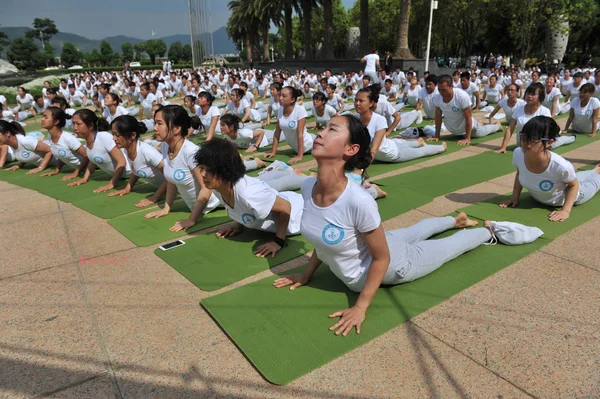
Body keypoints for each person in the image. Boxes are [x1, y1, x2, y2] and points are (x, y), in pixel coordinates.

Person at [273, 114, 519, 336]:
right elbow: (321, 237)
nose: (320, 132)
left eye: (332, 129)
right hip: (380, 243)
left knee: (448, 248)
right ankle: (455, 219)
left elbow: (381, 260)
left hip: (396, 264)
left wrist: (360, 307)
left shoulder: (357, 201)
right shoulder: (308, 187)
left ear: (351, 148)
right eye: (324, 127)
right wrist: (306, 275)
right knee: (416, 230)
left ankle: (486, 230)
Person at [195, 139, 303, 258]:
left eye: (209, 170)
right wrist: (239, 223)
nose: (203, 174)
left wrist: (278, 241)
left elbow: (286, 207)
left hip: (299, 215)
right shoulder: (217, 188)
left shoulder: (249, 194)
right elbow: (241, 207)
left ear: (225, 170)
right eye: (202, 168)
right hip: (283, 200)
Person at [500, 116, 600, 222]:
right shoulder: (518, 153)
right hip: (551, 190)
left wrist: (565, 211)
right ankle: (595, 170)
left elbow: (574, 185)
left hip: (577, 195)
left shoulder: (560, 165)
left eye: (533, 138)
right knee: (577, 176)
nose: (526, 142)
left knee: (587, 182)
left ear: (549, 142)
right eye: (524, 136)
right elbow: (520, 173)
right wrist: (514, 198)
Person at [144, 105, 221, 232]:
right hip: (198, 207)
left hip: (215, 204)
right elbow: (171, 179)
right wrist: (167, 208)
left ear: (177, 128)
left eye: (159, 123)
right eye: (155, 123)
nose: (155, 128)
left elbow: (207, 188)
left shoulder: (190, 152)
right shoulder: (165, 146)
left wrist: (192, 219)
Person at [355, 87, 446, 163]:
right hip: (390, 144)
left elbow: (374, 149)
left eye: (361, 101)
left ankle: (441, 147)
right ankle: (418, 142)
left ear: (371, 103)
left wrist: (360, 170)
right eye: (356, 100)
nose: (357, 103)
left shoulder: (379, 120)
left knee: (420, 152)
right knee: (402, 144)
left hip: (395, 154)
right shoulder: (354, 119)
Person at [109, 115, 167, 207]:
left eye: (117, 135)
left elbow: (170, 175)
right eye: (113, 134)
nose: (114, 138)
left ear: (133, 135)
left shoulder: (147, 152)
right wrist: (128, 188)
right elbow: (136, 169)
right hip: (161, 188)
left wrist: (156, 196)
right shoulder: (126, 149)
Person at [68, 109, 132, 192]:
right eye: (73, 123)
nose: (75, 128)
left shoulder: (104, 137)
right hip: (120, 176)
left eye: (78, 124)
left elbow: (121, 161)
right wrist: (85, 178)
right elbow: (93, 160)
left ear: (90, 126)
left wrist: (111, 183)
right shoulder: (88, 141)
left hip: (129, 173)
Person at [430, 75, 501, 145]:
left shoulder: (462, 96)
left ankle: (497, 126)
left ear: (451, 86)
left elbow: (468, 118)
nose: (441, 92)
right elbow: (438, 117)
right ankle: (480, 123)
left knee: (484, 131)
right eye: (439, 89)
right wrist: (437, 136)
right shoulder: (437, 98)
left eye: (444, 90)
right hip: (454, 130)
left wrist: (467, 138)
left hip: (471, 129)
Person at [496, 83, 553, 153]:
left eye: (533, 94)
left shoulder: (545, 112)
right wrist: (503, 147)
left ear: (540, 97)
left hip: (538, 147)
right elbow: (510, 128)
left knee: (558, 141)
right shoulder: (519, 109)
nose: (529, 96)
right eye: (528, 93)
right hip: (521, 145)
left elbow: (547, 132)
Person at [265, 87, 315, 164]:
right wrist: (273, 152)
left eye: (284, 96)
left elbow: (300, 134)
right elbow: (277, 133)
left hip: (310, 145)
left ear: (292, 99)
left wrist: (299, 156)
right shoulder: (280, 109)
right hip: (296, 148)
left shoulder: (300, 110)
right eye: (280, 95)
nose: (280, 98)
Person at [39, 107, 89, 181]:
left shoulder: (68, 138)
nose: (42, 119)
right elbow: (61, 153)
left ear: (56, 122)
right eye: (43, 116)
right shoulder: (50, 136)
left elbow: (87, 156)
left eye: (45, 117)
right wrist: (57, 169)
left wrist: (76, 173)